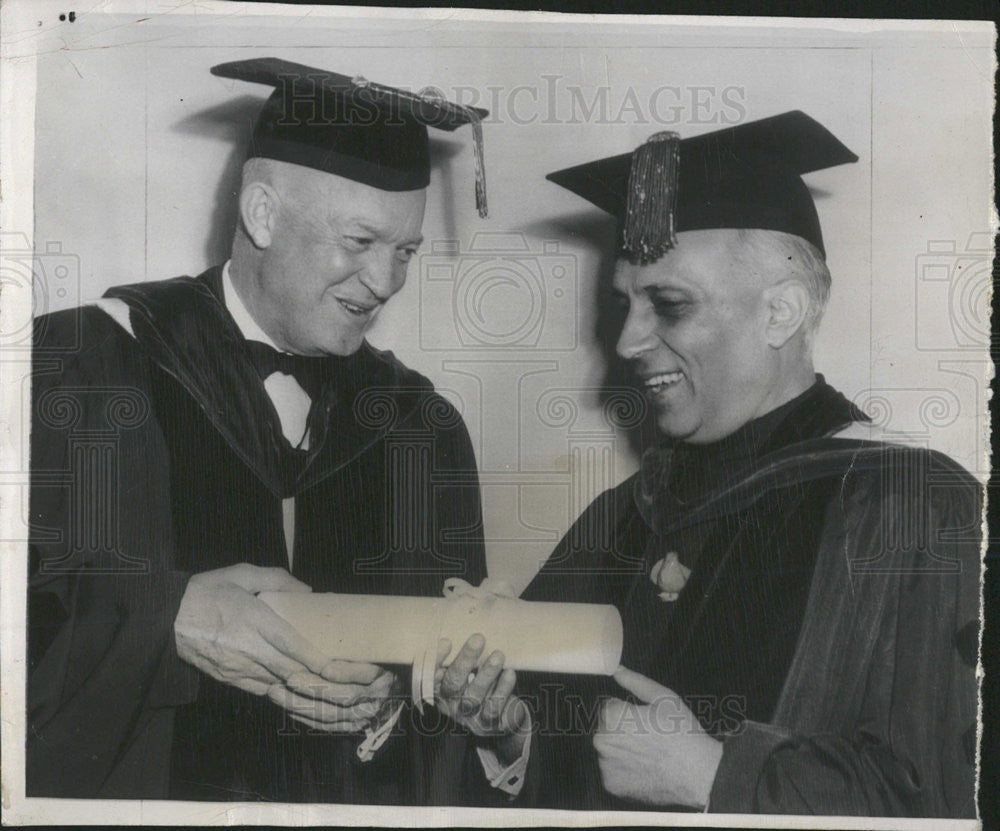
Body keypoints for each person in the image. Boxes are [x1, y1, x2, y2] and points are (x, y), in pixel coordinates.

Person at [27, 57, 528, 804]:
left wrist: (466, 721)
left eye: (405, 252)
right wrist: (165, 616)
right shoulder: (87, 371)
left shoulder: (422, 430)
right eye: (360, 241)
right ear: (262, 214)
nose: (386, 283)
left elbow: (443, 726)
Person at [519, 111, 981, 816]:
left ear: (781, 312)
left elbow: (950, 795)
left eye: (669, 305)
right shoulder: (619, 517)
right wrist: (502, 731)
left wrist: (715, 776)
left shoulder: (914, 510)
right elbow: (537, 732)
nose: (628, 340)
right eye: (625, 303)